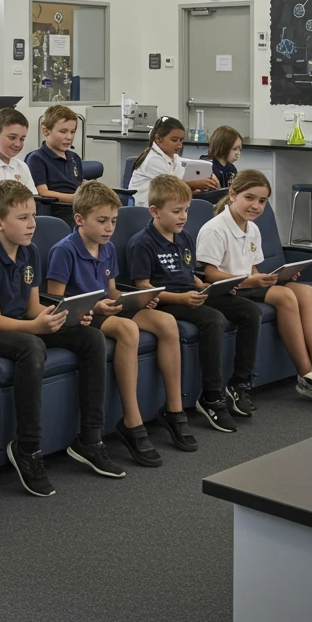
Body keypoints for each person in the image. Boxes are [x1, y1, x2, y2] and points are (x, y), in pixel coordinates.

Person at [0, 180, 121, 497]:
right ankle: (28, 448)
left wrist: (64, 316)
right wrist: (39, 327)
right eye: (22, 218)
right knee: (31, 345)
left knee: (89, 337)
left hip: (18, 326)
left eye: (32, 216)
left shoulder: (30, 251)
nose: (32, 224)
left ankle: (90, 438)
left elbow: (33, 308)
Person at [46, 181, 194, 465]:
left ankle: (175, 410)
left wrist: (138, 298)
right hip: (84, 317)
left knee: (166, 323)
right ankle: (132, 420)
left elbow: (112, 291)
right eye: (102, 221)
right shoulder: (64, 251)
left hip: (106, 308)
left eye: (113, 221)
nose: (109, 228)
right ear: (80, 219)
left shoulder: (108, 248)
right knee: (127, 328)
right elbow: (56, 301)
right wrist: (97, 305)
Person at [198, 169, 312, 405]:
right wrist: (250, 280)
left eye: (262, 201)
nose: (256, 206)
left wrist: (275, 277)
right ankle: (307, 376)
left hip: (247, 284)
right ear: (233, 195)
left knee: (304, 291)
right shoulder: (215, 228)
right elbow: (209, 273)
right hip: (229, 289)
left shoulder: (252, 228)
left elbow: (252, 269)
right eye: (249, 198)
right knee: (284, 296)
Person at [127, 174, 262, 433]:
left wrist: (206, 287)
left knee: (249, 310)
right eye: (176, 211)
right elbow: (143, 288)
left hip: (191, 294)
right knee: (212, 319)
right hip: (166, 301)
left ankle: (240, 383)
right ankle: (211, 396)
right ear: (154, 211)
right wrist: (181, 298)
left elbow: (191, 276)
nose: (183, 217)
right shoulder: (142, 243)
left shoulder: (185, 238)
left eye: (186, 210)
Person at [128, 115, 221, 207]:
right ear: (158, 139)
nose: (179, 144)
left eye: (181, 140)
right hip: (147, 209)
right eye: (174, 140)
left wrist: (209, 175)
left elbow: (184, 175)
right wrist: (195, 184)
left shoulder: (174, 158)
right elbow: (172, 187)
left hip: (167, 205)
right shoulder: (152, 160)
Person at [27, 104, 85, 204]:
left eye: (73, 132)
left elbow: (78, 185)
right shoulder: (37, 158)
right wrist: (77, 199)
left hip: (80, 208)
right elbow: (42, 192)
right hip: (59, 210)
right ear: (46, 131)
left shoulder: (74, 158)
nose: (69, 137)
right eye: (63, 131)